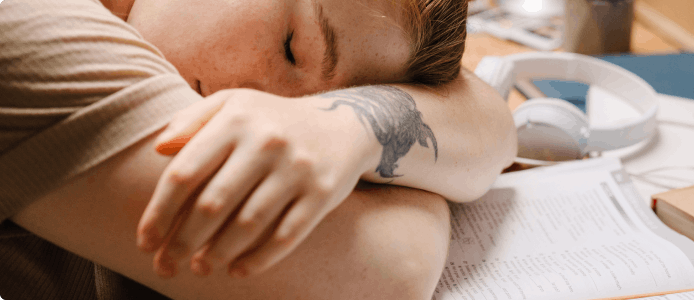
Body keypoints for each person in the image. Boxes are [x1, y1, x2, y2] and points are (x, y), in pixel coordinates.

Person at [0, 0, 517, 298]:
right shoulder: (30, 29)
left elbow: (491, 117)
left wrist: (346, 131)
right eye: (292, 47)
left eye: (340, 96)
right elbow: (388, 272)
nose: (278, 123)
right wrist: (390, 152)